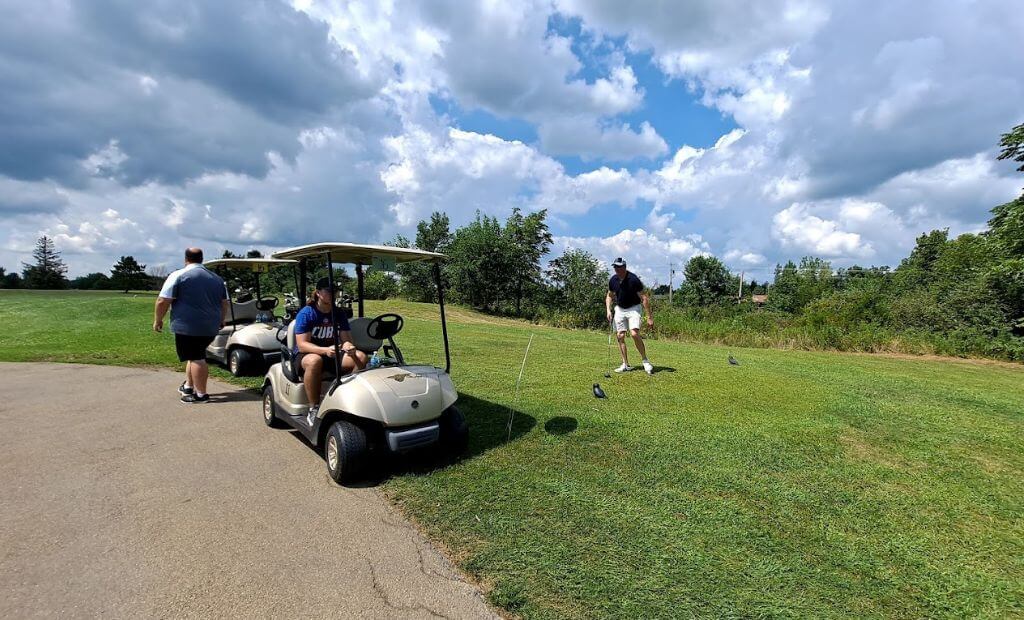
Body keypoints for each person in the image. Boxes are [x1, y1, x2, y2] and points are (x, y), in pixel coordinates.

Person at [153, 248, 229, 403]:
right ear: (201, 259)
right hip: (210, 326)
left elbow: (163, 301)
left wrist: (158, 319)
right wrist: (222, 319)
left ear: (185, 259)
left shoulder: (178, 275)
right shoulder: (216, 278)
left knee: (197, 357)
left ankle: (201, 394)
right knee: (194, 355)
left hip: (187, 326)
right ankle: (188, 386)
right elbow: (225, 302)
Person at [293, 277, 368, 424]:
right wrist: (324, 350)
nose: (333, 294)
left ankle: (345, 397)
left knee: (361, 357)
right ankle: (313, 408)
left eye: (335, 291)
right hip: (306, 355)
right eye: (329, 291)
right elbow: (302, 345)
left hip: (332, 353)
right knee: (315, 360)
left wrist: (348, 346)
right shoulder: (307, 313)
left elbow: (346, 338)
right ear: (318, 293)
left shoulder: (339, 313)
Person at [605, 257, 655, 374]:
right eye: (615, 267)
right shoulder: (613, 280)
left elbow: (644, 298)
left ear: (624, 267)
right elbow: (609, 296)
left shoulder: (633, 280)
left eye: (619, 267)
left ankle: (645, 361)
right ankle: (625, 364)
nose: (617, 269)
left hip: (634, 308)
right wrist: (608, 310)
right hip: (620, 309)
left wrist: (649, 317)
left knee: (634, 333)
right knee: (620, 336)